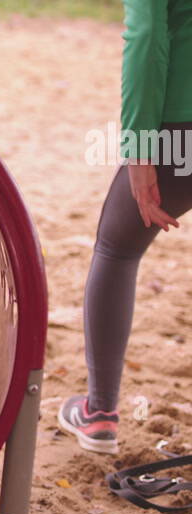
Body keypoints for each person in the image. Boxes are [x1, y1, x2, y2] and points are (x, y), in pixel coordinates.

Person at [59, 0, 192, 454]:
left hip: (183, 127)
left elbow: (147, 35)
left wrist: (140, 146)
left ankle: (99, 414)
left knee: (117, 248)